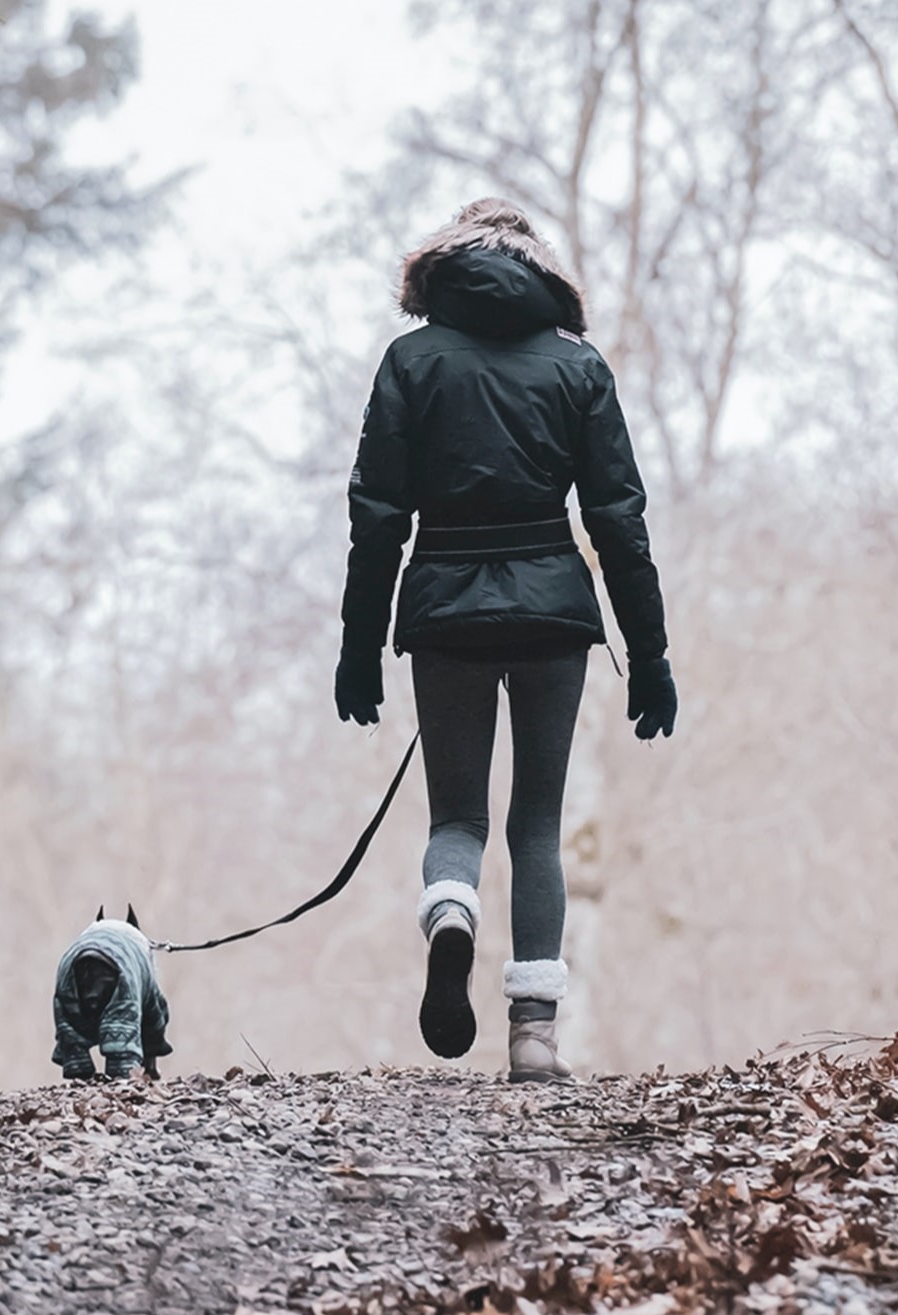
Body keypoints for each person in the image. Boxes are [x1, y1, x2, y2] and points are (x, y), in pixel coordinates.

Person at [334, 198, 676, 1083]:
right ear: (541, 273)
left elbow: (376, 516)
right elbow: (617, 518)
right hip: (551, 613)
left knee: (457, 816)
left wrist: (358, 644)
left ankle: (451, 910)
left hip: (443, 607)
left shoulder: (409, 361)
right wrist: (650, 653)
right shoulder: (577, 369)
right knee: (535, 822)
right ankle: (532, 1036)